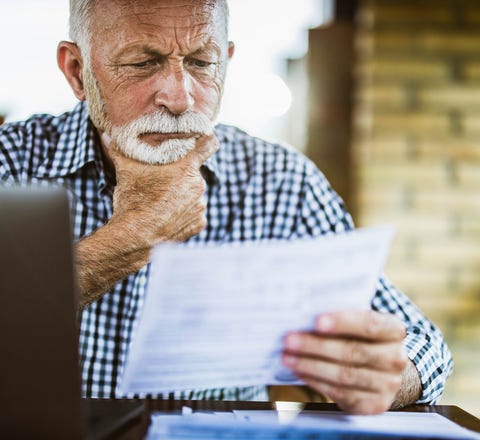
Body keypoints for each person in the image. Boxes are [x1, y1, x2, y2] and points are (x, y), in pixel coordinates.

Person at [0, 0, 452, 414]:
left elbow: (424, 346)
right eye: (141, 64)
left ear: (227, 63)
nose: (179, 97)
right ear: (77, 71)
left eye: (201, 63)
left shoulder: (279, 181)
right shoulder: (13, 160)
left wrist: (390, 375)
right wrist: (133, 235)